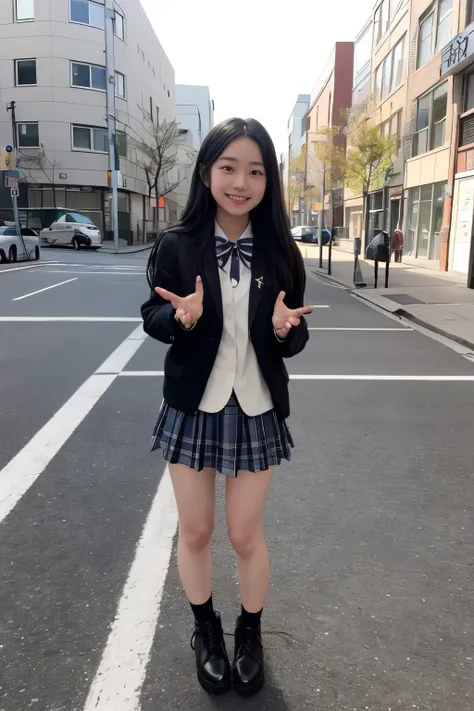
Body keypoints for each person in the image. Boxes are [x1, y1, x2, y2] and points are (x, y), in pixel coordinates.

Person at [141, 117, 313, 697]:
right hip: (194, 404)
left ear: (269, 181)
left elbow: (294, 330)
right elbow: (153, 316)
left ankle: (250, 630)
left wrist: (287, 331)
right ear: (208, 172)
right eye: (229, 168)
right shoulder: (177, 244)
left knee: (244, 535)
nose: (241, 182)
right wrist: (179, 317)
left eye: (256, 170)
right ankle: (205, 630)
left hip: (256, 405)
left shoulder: (281, 250)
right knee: (195, 529)